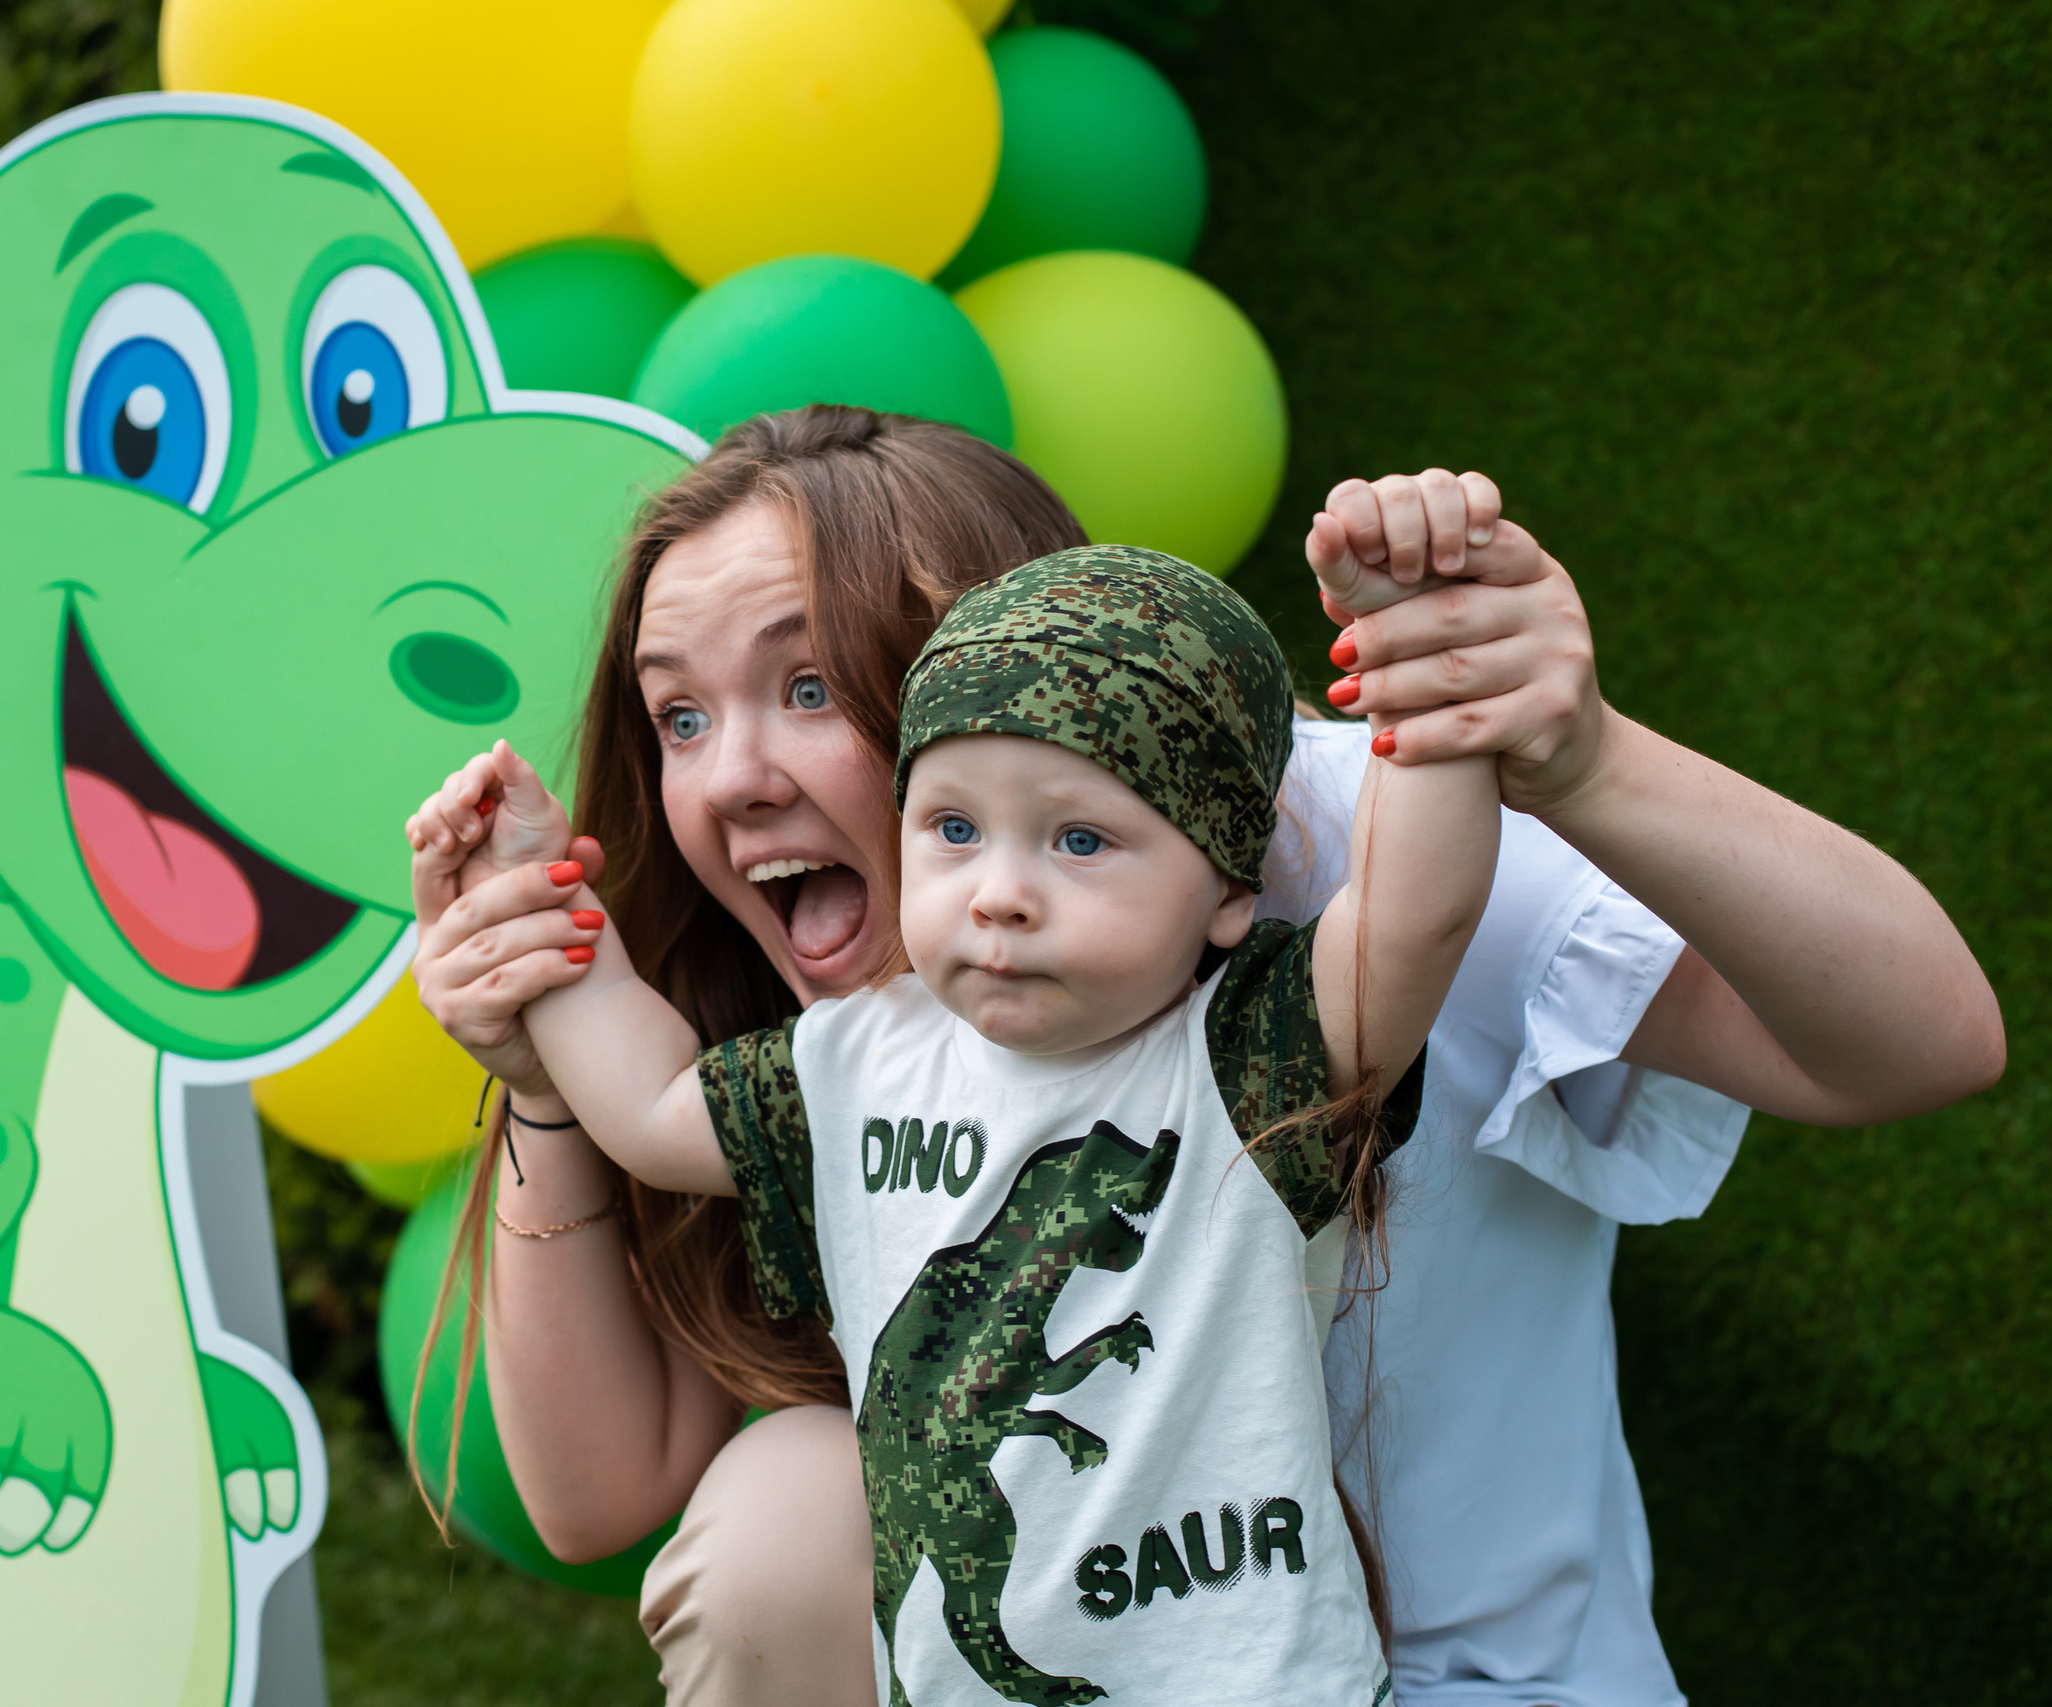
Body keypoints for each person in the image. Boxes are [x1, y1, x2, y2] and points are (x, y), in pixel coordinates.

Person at [407, 409, 2001, 1705]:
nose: (728, 783)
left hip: (1469, 1684)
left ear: (1017, 663)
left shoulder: (1352, 851)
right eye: (678, 719)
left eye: (808, 686)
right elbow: (598, 1491)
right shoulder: (846, 1046)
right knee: (788, 1505)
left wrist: (1552, 749)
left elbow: (1928, 1039)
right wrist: (541, 1035)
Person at [414, 541, 1516, 1702]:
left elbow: (1416, 916)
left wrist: (1418, 649)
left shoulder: (1251, 1056)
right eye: (952, 829)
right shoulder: (858, 1062)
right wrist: (535, 901)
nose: (999, 894)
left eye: (1079, 841)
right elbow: (648, 1105)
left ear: (1229, 896)